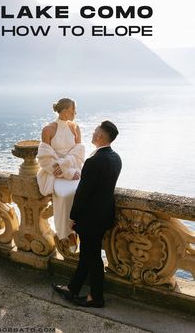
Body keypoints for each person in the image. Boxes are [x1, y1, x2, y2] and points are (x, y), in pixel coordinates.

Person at [52, 120, 122, 307]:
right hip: (104, 215)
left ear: (99, 136)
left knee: (93, 258)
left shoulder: (93, 161)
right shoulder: (116, 158)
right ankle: (72, 289)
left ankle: (96, 297)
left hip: (90, 219)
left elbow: (83, 193)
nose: (92, 133)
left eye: (95, 131)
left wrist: (73, 217)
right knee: (87, 255)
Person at [37, 98, 85, 251]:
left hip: (73, 170)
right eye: (73, 110)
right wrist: (64, 171)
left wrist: (68, 168)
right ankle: (68, 233)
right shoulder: (48, 130)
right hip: (54, 173)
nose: (75, 113)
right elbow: (45, 158)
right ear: (65, 111)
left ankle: (78, 228)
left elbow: (79, 154)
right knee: (64, 195)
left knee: (81, 192)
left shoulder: (75, 128)